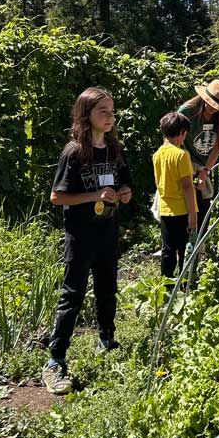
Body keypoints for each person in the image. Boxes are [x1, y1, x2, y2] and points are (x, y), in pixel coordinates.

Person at [43, 87, 133, 396]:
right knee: (73, 295)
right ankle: (55, 361)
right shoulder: (74, 152)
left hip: (107, 232)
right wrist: (95, 195)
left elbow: (124, 183)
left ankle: (107, 341)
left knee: (108, 289)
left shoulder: (114, 149)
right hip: (81, 236)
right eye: (102, 111)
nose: (110, 117)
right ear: (86, 115)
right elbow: (57, 197)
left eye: (112, 111)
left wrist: (124, 193)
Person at [178, 79, 219, 230]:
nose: (213, 109)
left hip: (204, 165)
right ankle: (185, 239)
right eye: (211, 104)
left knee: (203, 204)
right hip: (186, 162)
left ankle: (200, 240)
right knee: (186, 203)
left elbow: (218, 144)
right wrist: (189, 167)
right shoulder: (186, 112)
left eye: (217, 107)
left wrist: (205, 171)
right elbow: (176, 143)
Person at [153, 111, 198, 283]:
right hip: (182, 210)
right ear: (181, 133)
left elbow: (159, 183)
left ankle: (167, 285)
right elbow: (187, 186)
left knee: (168, 249)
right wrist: (192, 215)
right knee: (185, 249)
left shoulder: (157, 155)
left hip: (165, 209)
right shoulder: (181, 155)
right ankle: (185, 284)